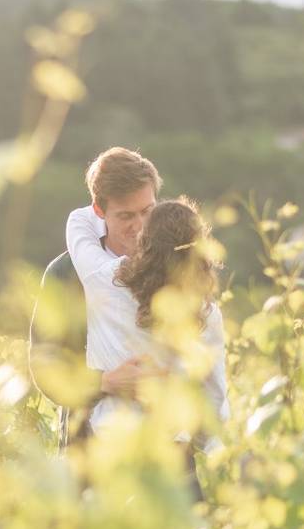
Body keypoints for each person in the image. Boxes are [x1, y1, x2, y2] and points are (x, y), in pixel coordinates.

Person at [66, 196, 229, 499]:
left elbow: (77, 222)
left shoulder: (103, 280)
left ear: (144, 240)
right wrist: (203, 441)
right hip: (172, 454)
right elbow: (214, 395)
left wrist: (113, 205)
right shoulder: (206, 314)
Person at [28, 147, 163, 450]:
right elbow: (44, 366)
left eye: (147, 211)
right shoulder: (66, 274)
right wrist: (104, 383)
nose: (140, 226)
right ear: (99, 211)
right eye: (126, 216)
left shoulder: (172, 265)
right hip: (87, 447)